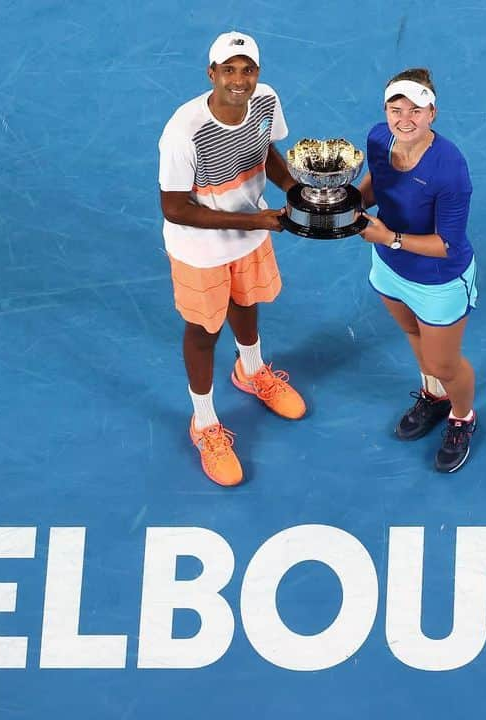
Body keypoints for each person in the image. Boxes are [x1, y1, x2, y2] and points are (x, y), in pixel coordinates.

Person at [157, 31, 306, 487]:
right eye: (229, 70)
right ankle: (204, 423)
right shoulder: (184, 132)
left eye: (247, 70)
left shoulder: (265, 101)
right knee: (204, 331)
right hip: (199, 247)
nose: (239, 80)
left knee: (246, 302)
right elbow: (175, 208)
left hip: (251, 229)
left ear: (257, 73)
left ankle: (252, 371)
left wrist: (298, 192)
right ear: (212, 74)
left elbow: (268, 152)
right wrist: (255, 222)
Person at [356, 68, 478, 473]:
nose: (404, 119)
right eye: (396, 109)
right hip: (390, 268)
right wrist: (344, 201)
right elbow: (378, 182)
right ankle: (434, 396)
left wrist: (388, 237)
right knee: (412, 333)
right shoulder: (377, 138)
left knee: (445, 363)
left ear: (433, 113)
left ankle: (462, 416)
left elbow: (447, 244)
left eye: (416, 110)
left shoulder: (450, 168)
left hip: (438, 281)